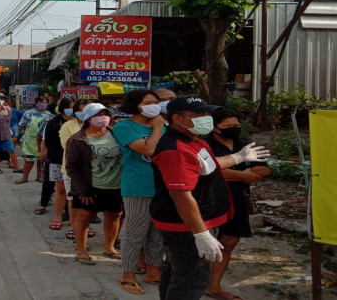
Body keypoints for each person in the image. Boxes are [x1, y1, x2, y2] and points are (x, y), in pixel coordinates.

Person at [150, 97, 270, 299]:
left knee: (177, 270)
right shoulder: (175, 149)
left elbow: (205, 165)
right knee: (191, 281)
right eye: (200, 115)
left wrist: (238, 157)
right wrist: (201, 234)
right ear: (179, 118)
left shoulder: (193, 141)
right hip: (186, 225)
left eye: (208, 114)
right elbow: (181, 195)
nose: (207, 118)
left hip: (194, 221)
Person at [203, 109, 270, 300]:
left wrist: (229, 171)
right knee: (204, 242)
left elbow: (263, 170)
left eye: (236, 125)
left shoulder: (245, 145)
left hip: (238, 199)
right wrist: (242, 174)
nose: (234, 129)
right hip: (209, 200)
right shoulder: (204, 145)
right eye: (228, 126)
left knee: (229, 242)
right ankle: (190, 280)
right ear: (215, 128)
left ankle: (213, 286)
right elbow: (207, 171)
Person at [111, 89, 166, 295]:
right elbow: (148, 150)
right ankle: (128, 274)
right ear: (135, 105)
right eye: (149, 102)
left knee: (158, 233)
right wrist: (158, 128)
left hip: (162, 185)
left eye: (156, 102)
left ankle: (153, 271)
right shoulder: (124, 126)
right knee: (135, 232)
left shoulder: (163, 126)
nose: (155, 105)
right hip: (138, 185)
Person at [66, 103, 123, 266]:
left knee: (114, 215)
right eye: (99, 114)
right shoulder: (77, 139)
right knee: (84, 216)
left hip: (116, 184)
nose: (103, 117)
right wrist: (84, 189)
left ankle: (110, 247)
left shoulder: (116, 134)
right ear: (88, 118)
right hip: (90, 186)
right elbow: (72, 167)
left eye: (106, 114)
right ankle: (81, 249)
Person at [39, 97, 73, 230]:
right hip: (57, 161)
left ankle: (74, 219)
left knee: (75, 192)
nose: (74, 110)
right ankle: (57, 217)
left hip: (77, 163)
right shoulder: (53, 123)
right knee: (60, 189)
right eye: (71, 107)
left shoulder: (81, 123)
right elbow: (49, 143)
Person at [58, 99, 90, 236]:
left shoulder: (98, 125)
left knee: (88, 200)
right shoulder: (67, 126)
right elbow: (68, 147)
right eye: (80, 110)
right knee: (73, 200)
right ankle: (74, 227)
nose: (83, 113)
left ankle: (84, 227)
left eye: (86, 110)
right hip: (72, 169)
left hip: (95, 170)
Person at [16, 97, 53, 184]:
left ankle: (39, 177)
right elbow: (22, 125)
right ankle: (25, 178)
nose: (42, 104)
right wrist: (30, 133)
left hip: (43, 140)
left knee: (41, 160)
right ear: (36, 103)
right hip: (30, 140)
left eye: (44, 102)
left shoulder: (49, 115)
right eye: (40, 102)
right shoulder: (29, 113)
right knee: (29, 160)